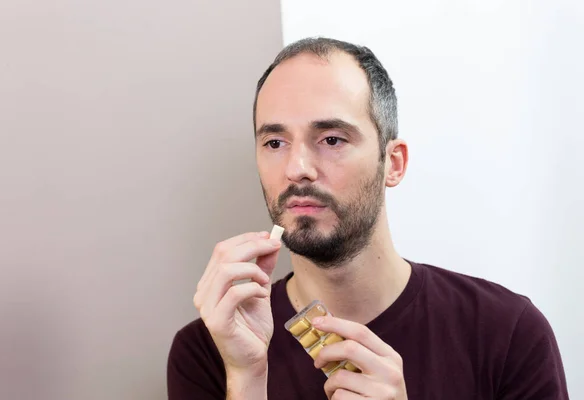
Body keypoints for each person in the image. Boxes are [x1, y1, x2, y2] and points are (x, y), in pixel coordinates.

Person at [167, 37, 569, 400]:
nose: (298, 168)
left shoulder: (507, 333)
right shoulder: (212, 348)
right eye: (275, 142)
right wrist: (247, 378)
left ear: (393, 163)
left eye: (332, 139)